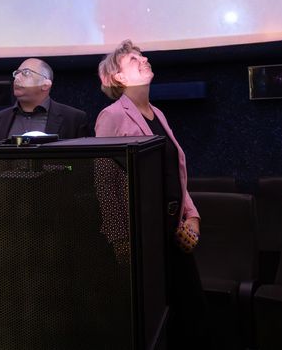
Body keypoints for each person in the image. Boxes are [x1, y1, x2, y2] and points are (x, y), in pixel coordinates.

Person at [94, 39, 211, 349]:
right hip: (142, 237)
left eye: (142, 56)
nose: (144, 59)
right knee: (158, 322)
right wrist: (120, 240)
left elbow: (175, 172)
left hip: (173, 231)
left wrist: (192, 216)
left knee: (192, 314)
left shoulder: (157, 112)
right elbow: (104, 184)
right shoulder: (111, 116)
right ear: (118, 77)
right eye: (133, 59)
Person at [0, 58, 91, 141]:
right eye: (16, 73)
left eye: (26, 73)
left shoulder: (73, 119)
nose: (17, 78)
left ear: (46, 84)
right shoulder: (0, 118)